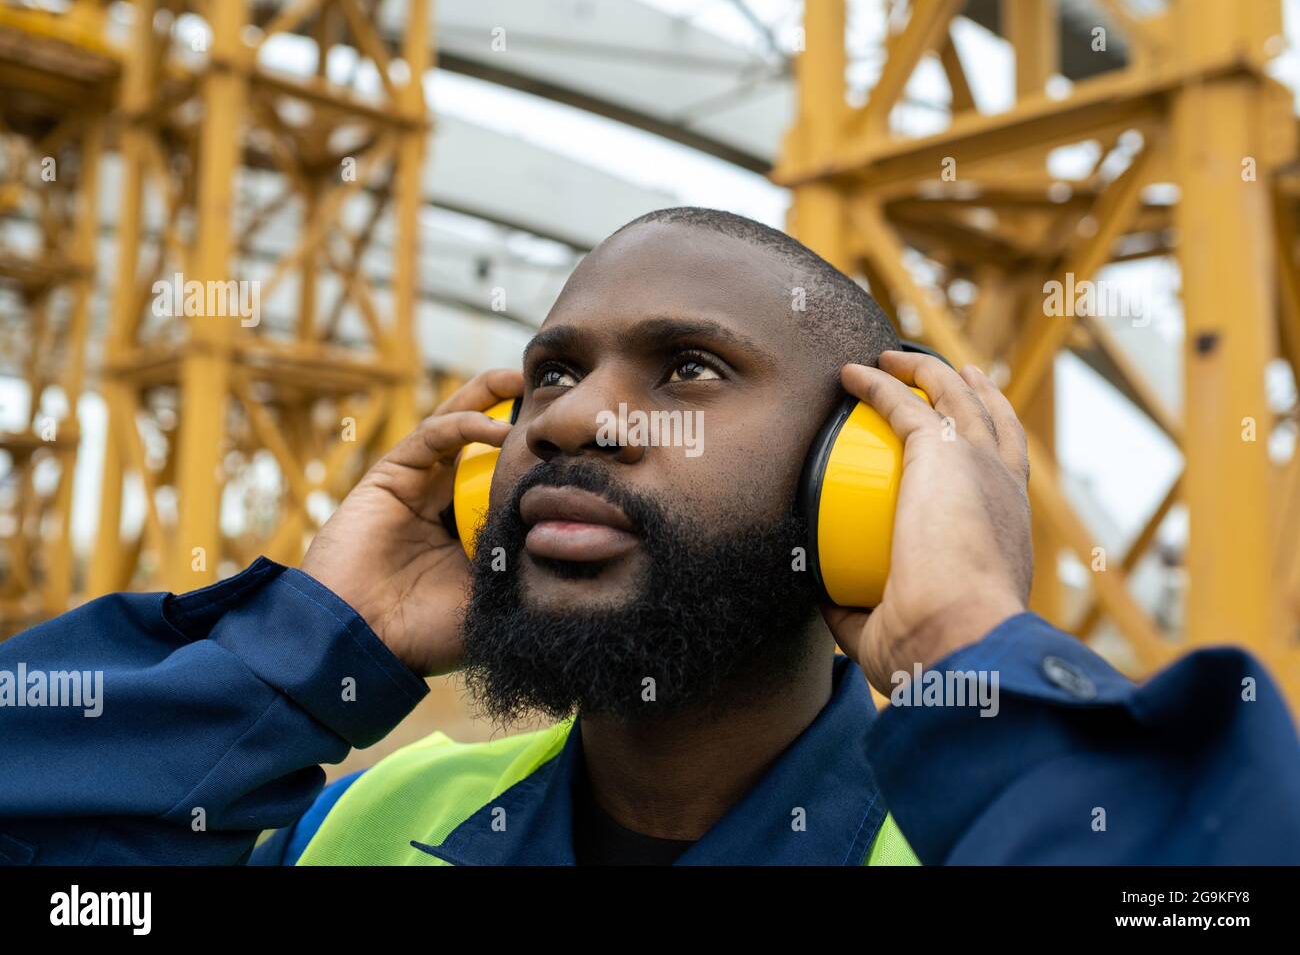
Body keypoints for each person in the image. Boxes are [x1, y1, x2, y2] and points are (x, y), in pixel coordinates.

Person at [2, 208, 1297, 865]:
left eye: (685, 371)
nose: (571, 423)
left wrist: (961, 642)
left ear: (855, 477)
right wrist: (300, 657)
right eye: (550, 373)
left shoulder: (998, 832)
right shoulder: (375, 822)